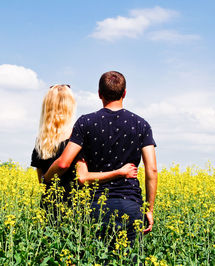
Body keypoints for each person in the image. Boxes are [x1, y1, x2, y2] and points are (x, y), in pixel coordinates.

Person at [44, 72, 158, 243]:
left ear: (99, 94)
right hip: (131, 205)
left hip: (94, 208)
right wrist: (149, 209)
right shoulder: (141, 124)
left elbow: (64, 163)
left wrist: (46, 180)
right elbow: (152, 169)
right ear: (124, 93)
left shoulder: (85, 123)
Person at [31, 84, 138, 206]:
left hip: (47, 208)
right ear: (70, 107)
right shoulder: (76, 139)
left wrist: (47, 179)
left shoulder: (41, 143)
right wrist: (119, 172)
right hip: (73, 208)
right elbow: (83, 177)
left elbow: (42, 183)